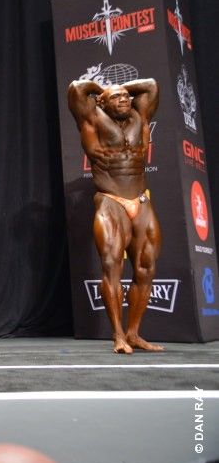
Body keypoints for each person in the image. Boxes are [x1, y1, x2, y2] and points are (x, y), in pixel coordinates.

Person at [68, 78, 163, 354]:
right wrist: (104, 92)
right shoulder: (92, 119)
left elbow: (151, 85)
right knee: (111, 266)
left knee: (146, 268)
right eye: (117, 97)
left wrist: (119, 90)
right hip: (111, 199)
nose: (124, 99)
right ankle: (118, 335)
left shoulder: (139, 116)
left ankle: (133, 333)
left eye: (126, 96)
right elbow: (77, 88)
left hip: (140, 199)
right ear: (102, 102)